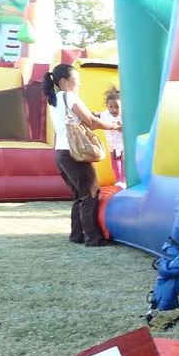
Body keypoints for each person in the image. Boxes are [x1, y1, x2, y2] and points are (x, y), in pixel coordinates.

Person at [43, 63, 120, 246]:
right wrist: (114, 126)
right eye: (76, 81)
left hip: (61, 153)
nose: (79, 85)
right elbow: (92, 122)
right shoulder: (69, 96)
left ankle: (76, 235)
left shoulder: (54, 99)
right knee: (91, 194)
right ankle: (93, 238)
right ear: (63, 81)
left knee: (79, 195)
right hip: (75, 153)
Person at [103, 85, 125, 188]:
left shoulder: (124, 115)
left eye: (117, 107)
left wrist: (121, 127)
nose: (114, 109)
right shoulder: (105, 115)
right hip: (112, 146)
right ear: (107, 106)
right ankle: (118, 180)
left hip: (122, 145)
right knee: (115, 164)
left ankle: (123, 180)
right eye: (111, 107)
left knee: (124, 162)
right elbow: (99, 118)